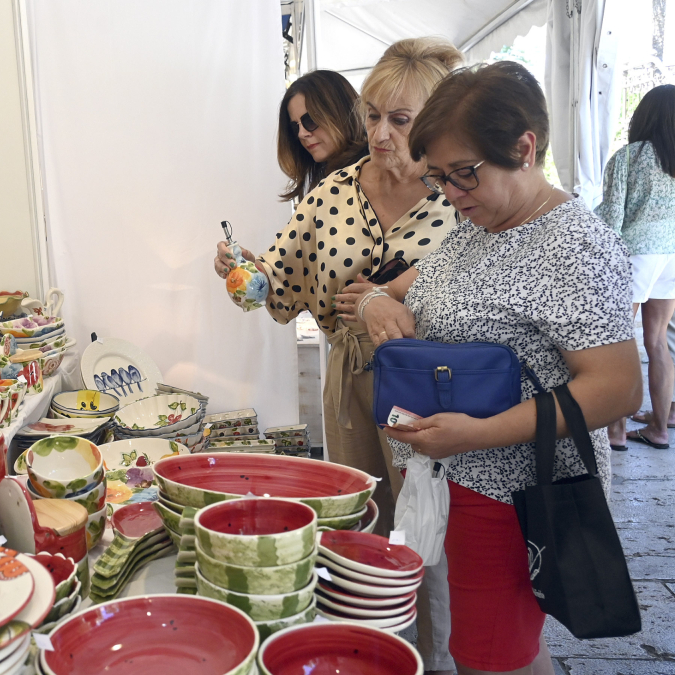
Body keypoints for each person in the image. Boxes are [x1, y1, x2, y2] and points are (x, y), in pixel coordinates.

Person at [338, 61, 642, 675]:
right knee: (497, 644)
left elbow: (615, 389)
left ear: (525, 147)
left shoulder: (575, 247)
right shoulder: (477, 224)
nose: (451, 192)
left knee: (491, 653)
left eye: (463, 173)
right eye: (439, 178)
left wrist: (475, 434)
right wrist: (374, 301)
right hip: (452, 476)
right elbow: (417, 290)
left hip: (511, 491)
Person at [214, 38, 463, 675]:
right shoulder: (331, 196)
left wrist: (395, 292)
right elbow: (275, 281)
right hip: (351, 382)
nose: (380, 133)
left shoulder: (458, 195)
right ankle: (366, 655)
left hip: (435, 387)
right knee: (362, 528)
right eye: (373, 114)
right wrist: (241, 271)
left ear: (435, 121)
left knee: (436, 535)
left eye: (399, 120)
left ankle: (436, 659)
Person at [597, 84, 675, 449]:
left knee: (617, 341)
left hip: (636, 254)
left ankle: (616, 432)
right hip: (672, 256)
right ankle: (659, 428)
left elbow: (611, 218)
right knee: (657, 342)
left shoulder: (629, 157)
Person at [277, 69, 368, 202]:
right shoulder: (330, 183)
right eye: (295, 127)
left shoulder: (373, 176)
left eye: (311, 120)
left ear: (340, 113)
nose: (302, 134)